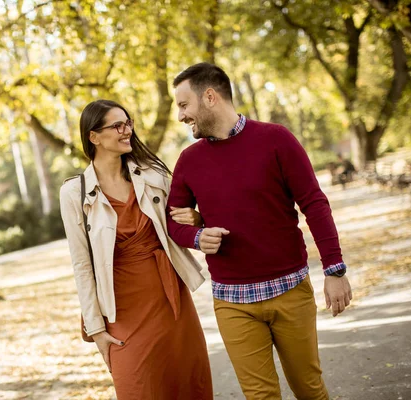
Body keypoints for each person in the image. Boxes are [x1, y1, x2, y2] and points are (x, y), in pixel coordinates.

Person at [166, 63, 353, 400]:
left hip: (290, 290)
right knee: (261, 397)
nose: (180, 116)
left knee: (309, 389)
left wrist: (334, 269)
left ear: (209, 97)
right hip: (233, 302)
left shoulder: (275, 139)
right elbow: (171, 222)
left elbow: (314, 203)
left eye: (183, 105)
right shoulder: (189, 161)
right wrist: (197, 237)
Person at [59, 99, 213, 399]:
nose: (126, 130)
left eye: (128, 123)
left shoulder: (153, 175)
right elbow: (82, 265)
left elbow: (183, 221)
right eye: (117, 125)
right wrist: (96, 329)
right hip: (121, 311)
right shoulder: (74, 193)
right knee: (137, 388)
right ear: (94, 137)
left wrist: (197, 218)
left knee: (189, 385)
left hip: (171, 300)